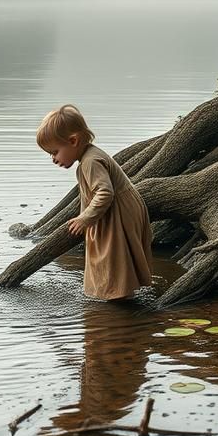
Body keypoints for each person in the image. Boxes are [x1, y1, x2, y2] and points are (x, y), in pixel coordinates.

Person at [36, 104, 153, 300]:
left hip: (118, 213)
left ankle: (118, 299)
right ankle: (117, 295)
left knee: (113, 259)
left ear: (73, 141)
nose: (53, 159)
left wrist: (85, 219)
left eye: (54, 152)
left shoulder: (90, 161)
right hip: (117, 211)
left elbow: (105, 193)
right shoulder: (88, 158)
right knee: (114, 258)